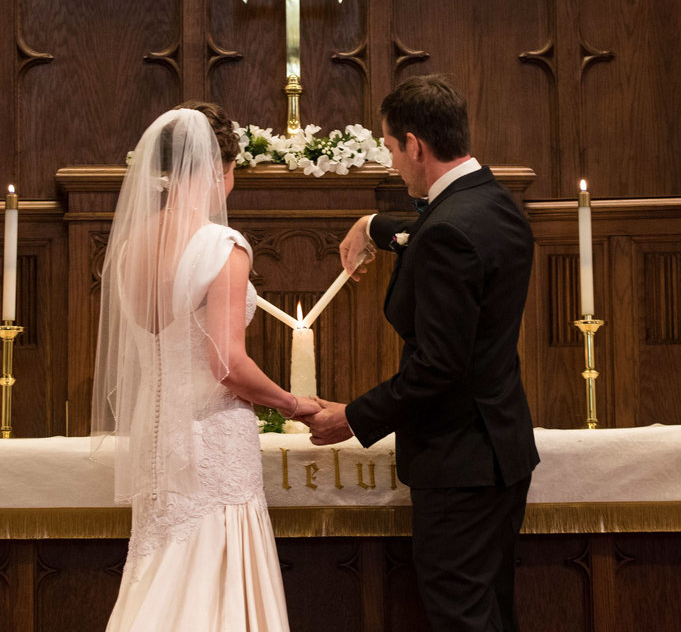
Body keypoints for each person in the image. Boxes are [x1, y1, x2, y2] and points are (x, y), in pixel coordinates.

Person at [305, 75, 540, 632]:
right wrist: (373, 226)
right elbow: (437, 228)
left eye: (390, 148)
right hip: (500, 450)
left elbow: (438, 367)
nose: (392, 165)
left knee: (461, 618)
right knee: (491, 611)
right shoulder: (493, 202)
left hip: (459, 463)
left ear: (415, 145)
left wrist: (352, 417)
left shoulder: (449, 230)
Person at [91, 101, 317, 632]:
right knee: (215, 571)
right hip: (213, 440)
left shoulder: (129, 248)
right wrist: (291, 403)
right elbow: (226, 364)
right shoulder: (222, 246)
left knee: (162, 566)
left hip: (157, 440)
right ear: (220, 169)